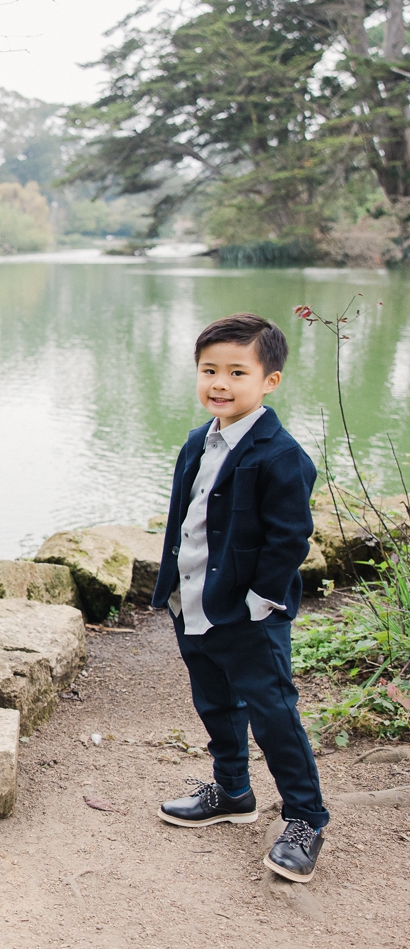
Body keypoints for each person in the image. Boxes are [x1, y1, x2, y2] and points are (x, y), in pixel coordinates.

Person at [150, 313, 328, 884]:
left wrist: (259, 602)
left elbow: (289, 539)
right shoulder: (197, 441)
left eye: (235, 372)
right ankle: (232, 790)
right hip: (196, 603)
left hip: (251, 614)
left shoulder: (281, 456)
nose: (219, 384)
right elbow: (187, 521)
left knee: (273, 713)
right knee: (215, 703)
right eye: (209, 371)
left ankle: (305, 819)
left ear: (269, 380)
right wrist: (174, 591)